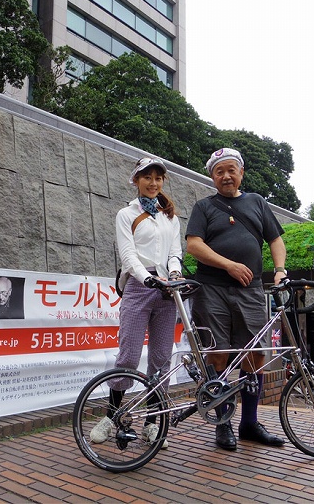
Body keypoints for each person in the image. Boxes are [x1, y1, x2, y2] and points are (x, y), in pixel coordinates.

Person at [185, 147, 287, 451]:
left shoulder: (257, 202)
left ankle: (250, 424)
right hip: (212, 289)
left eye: (231, 170)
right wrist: (228, 265)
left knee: (255, 355)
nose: (226, 176)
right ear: (212, 176)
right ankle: (223, 424)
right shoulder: (203, 207)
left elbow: (275, 240)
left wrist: (279, 270)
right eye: (219, 171)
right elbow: (193, 245)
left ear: (241, 172)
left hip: (252, 290)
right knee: (219, 355)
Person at [90, 157, 183, 448]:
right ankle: (111, 416)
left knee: (160, 360)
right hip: (139, 287)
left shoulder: (171, 217)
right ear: (136, 180)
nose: (153, 183)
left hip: (168, 290)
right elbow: (127, 255)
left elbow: (175, 251)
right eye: (147, 177)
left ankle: (152, 423)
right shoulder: (125, 214)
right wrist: (147, 279)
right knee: (128, 356)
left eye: (158, 178)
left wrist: (175, 273)